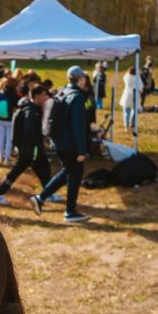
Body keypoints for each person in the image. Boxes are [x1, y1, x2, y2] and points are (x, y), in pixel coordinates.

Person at [30, 66, 90, 223]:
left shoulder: (62, 91)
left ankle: (40, 198)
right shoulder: (77, 97)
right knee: (74, 175)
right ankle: (70, 211)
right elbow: (78, 126)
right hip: (70, 144)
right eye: (84, 77)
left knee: (67, 172)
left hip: (59, 142)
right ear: (81, 79)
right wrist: (82, 150)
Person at [0, 85, 51, 206]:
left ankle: (49, 192)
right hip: (29, 150)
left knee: (43, 168)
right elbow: (28, 131)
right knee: (16, 171)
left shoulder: (32, 108)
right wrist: (37, 141)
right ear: (37, 96)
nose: (46, 98)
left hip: (31, 148)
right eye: (44, 95)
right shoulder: (31, 110)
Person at [0, 78, 20, 166]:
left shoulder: (1, 94)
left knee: (1, 138)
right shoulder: (15, 96)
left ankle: (1, 156)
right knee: (9, 139)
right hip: (10, 120)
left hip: (1, 118)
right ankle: (7, 158)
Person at [119, 67, 143, 131]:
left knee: (127, 112)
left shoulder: (127, 77)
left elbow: (124, 76)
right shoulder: (137, 78)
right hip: (135, 96)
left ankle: (126, 126)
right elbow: (141, 88)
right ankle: (131, 124)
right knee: (134, 112)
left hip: (127, 96)